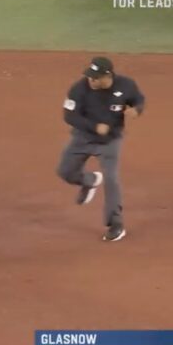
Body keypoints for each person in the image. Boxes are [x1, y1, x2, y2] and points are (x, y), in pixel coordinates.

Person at [57, 57, 145, 241]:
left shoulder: (126, 85)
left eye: (95, 77)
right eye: (90, 76)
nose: (91, 80)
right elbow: (69, 115)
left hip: (110, 141)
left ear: (108, 76)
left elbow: (138, 99)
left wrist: (136, 110)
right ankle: (89, 181)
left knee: (111, 179)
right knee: (65, 171)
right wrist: (94, 127)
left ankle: (115, 224)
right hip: (82, 138)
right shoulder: (79, 89)